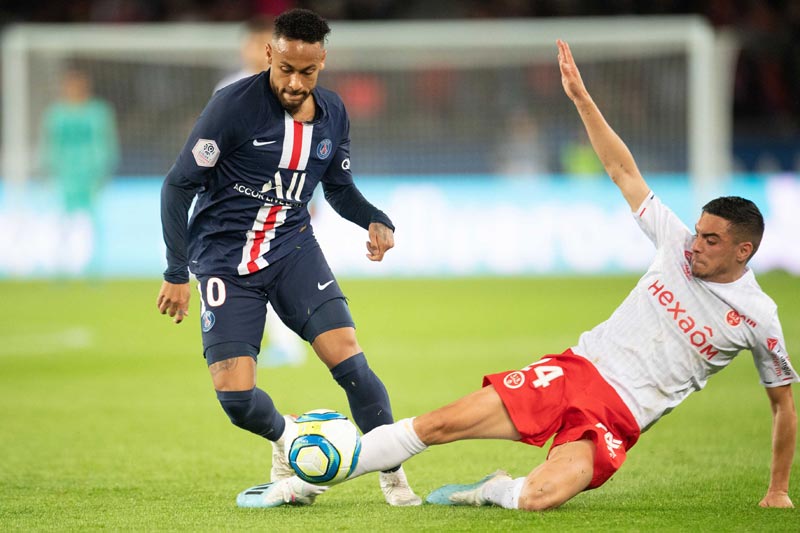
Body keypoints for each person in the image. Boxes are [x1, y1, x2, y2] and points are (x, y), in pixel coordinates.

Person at [255, 39, 797, 510]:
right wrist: (582, 100)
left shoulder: (758, 317)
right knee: (439, 425)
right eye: (698, 232)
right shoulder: (676, 244)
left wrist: (777, 489)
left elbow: (783, 407)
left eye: (711, 240)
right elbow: (621, 169)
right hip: (576, 373)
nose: (695, 246)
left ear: (743, 251)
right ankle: (304, 480)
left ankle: (493, 489)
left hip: (618, 420)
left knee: (539, 498)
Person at [156, 8, 420, 507]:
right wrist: (176, 271)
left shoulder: (335, 112)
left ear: (322, 61)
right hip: (224, 262)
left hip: (292, 249)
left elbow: (338, 187)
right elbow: (177, 186)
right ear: (269, 54)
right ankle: (288, 437)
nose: (296, 82)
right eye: (286, 70)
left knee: (349, 358)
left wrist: (376, 218)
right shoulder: (231, 108)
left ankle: (393, 473)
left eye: (309, 71)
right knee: (236, 400)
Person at [214, 15, 308, 368]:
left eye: (260, 44)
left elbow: (305, 146)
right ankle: (275, 343)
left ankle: (287, 342)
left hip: (282, 196)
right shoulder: (228, 87)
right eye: (249, 43)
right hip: (238, 201)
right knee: (249, 272)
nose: (253, 51)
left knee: (276, 269)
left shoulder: (291, 88)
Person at [41, 67, 119, 275]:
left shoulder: (98, 112)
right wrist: (50, 171)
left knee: (93, 221)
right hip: (66, 175)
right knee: (62, 222)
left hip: (90, 175)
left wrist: (103, 171)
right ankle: (60, 265)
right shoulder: (56, 114)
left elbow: (106, 143)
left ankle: (95, 266)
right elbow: (51, 145)